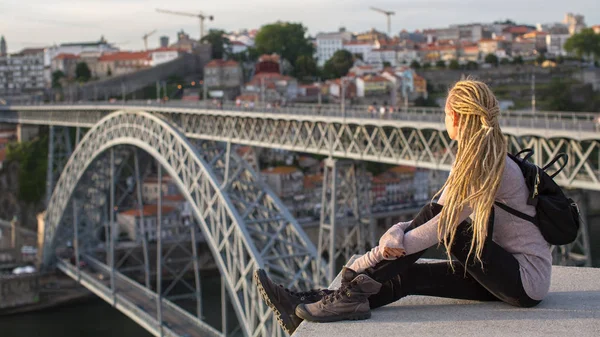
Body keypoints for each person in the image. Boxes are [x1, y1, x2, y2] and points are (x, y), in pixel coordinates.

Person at [254, 79, 552, 334]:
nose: (444, 120)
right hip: (500, 273)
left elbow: (442, 227)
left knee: (450, 228)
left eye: (445, 114)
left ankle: (350, 291)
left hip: (524, 281)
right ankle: (315, 301)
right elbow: (435, 209)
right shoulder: (475, 157)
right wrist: (396, 232)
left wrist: (365, 261)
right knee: (408, 276)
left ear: (456, 117)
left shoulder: (487, 164)